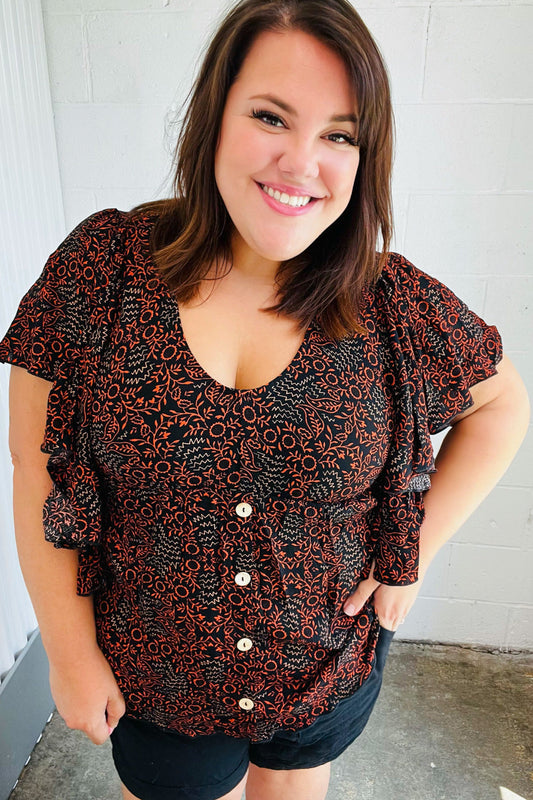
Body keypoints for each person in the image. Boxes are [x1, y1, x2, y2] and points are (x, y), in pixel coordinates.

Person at [1, 0, 529, 799]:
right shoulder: (100, 270)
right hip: (155, 675)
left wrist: (407, 554)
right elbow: (35, 467)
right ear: (214, 117)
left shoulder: (390, 302)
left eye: (339, 135)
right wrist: (70, 655)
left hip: (324, 663)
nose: (300, 162)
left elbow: (501, 407)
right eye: (270, 117)